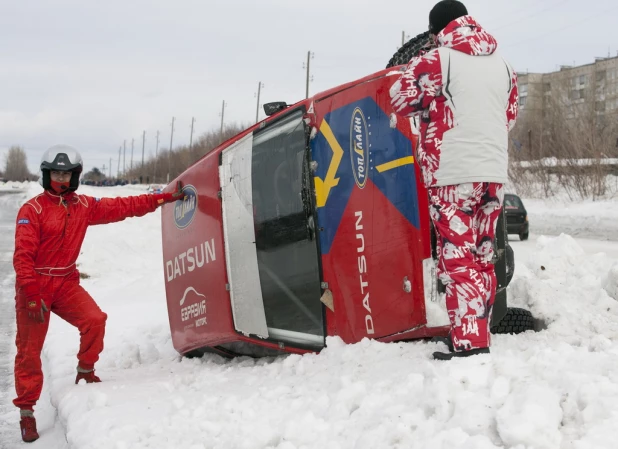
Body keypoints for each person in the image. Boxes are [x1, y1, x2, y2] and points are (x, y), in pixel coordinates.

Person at [13, 145, 186, 442]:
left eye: (66, 174)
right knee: (29, 352)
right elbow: (23, 255)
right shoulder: (33, 210)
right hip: (35, 286)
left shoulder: (83, 206)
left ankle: (85, 370)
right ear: (45, 174)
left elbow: (123, 206)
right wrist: (29, 291)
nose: (61, 179)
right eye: (56, 173)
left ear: (75, 176)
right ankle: (27, 412)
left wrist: (160, 198)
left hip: (66, 283)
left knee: (95, 319)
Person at [390, 0, 518, 360]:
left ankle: (469, 342)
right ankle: (477, 333)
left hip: (452, 173)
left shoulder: (437, 59)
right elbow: (508, 116)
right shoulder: (504, 65)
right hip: (492, 173)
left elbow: (399, 99)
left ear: (437, 30)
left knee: (457, 256)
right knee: (482, 253)